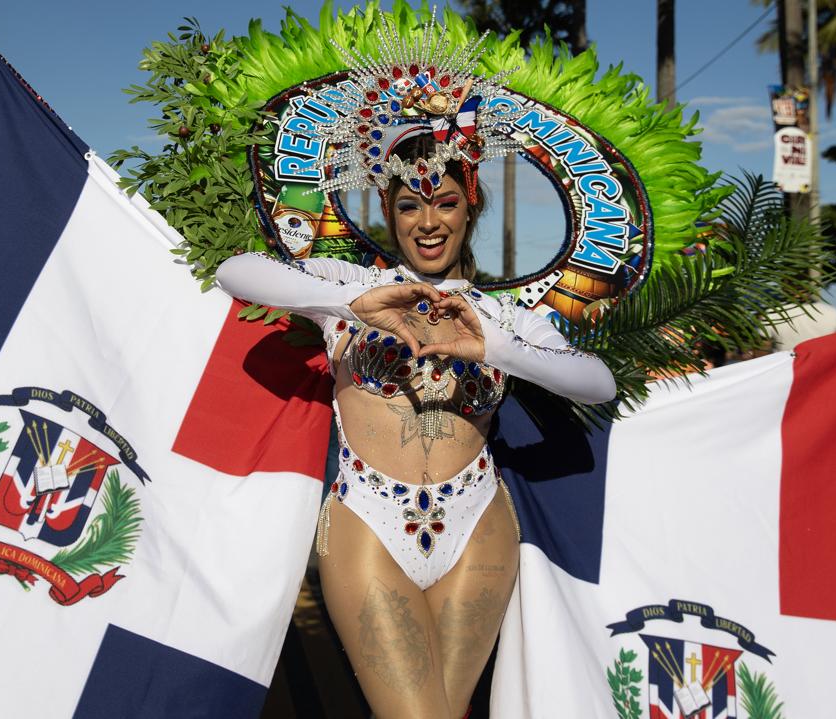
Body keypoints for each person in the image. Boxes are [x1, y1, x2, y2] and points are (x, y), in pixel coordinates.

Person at [217, 136, 615, 717]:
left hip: (478, 528)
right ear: (388, 212)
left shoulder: (502, 316)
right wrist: (353, 306)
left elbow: (596, 381)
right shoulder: (348, 285)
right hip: (369, 524)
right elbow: (237, 272)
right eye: (409, 206)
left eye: (446, 203)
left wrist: (494, 346)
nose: (428, 223)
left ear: (471, 208)